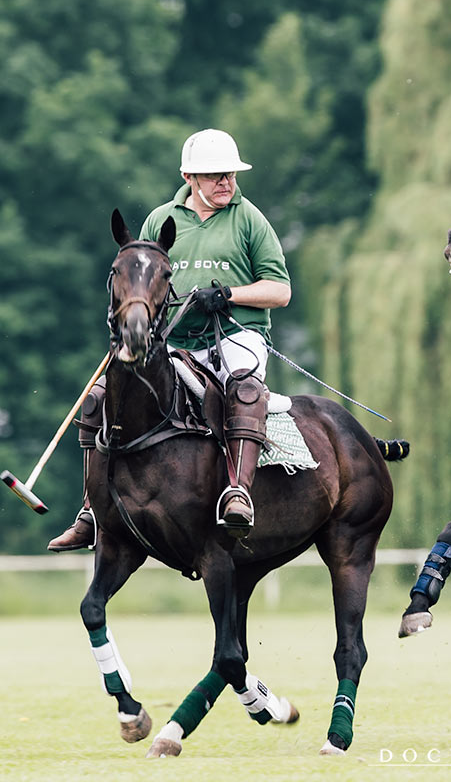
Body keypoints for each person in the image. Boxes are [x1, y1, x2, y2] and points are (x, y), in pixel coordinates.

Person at [47, 129, 291, 551]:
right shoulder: (160, 220)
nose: (226, 183)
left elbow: (280, 290)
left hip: (235, 335)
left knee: (245, 390)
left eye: (230, 174)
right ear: (188, 177)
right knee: (100, 397)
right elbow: (137, 278)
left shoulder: (249, 219)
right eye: (214, 175)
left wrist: (228, 295)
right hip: (171, 341)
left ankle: (238, 492)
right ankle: (91, 510)